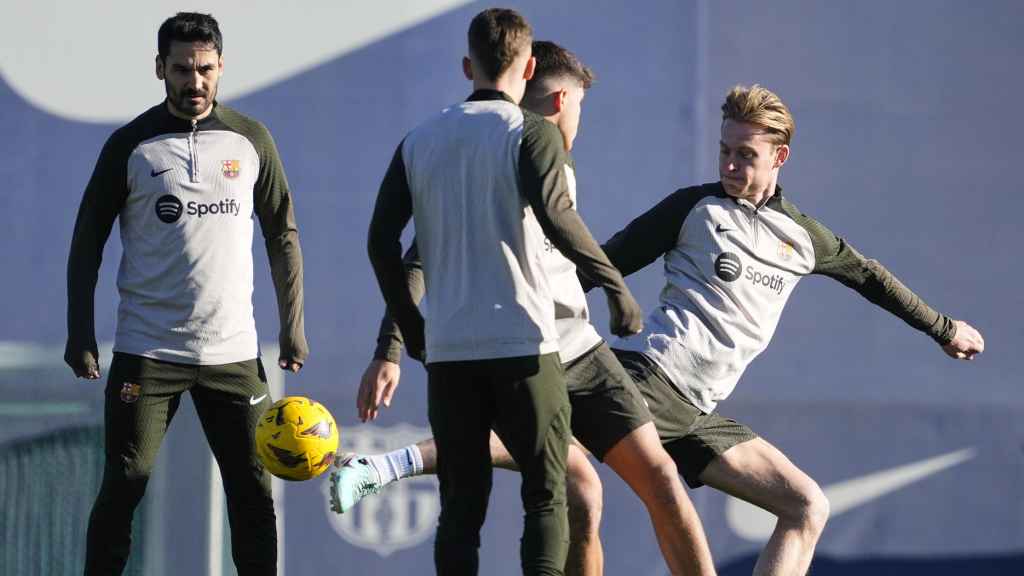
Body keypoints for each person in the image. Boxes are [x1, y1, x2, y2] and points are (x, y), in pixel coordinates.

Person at [340, 41, 716, 576]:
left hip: (580, 352)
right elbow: (414, 257)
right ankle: (389, 464)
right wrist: (390, 349)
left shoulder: (553, 158)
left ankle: (388, 465)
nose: (581, 120)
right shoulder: (492, 150)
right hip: (518, 351)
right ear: (561, 99)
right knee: (557, 493)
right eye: (581, 107)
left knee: (651, 478)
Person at [596, 84, 985, 576]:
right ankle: (466, 433)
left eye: (745, 154)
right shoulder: (694, 209)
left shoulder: (803, 237)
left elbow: (873, 279)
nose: (730, 165)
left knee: (805, 506)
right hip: (648, 381)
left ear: (780, 156)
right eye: (724, 151)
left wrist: (944, 328)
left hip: (696, 413)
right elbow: (604, 263)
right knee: (538, 444)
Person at [65, 12, 307, 576]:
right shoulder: (130, 145)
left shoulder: (251, 140)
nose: (193, 82)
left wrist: (292, 324)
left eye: (204, 69)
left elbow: (283, 234)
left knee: (253, 493)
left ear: (220, 67)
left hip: (234, 355)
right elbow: (86, 243)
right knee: (124, 484)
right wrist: (80, 331)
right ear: (159, 69)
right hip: (149, 352)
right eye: (180, 69)